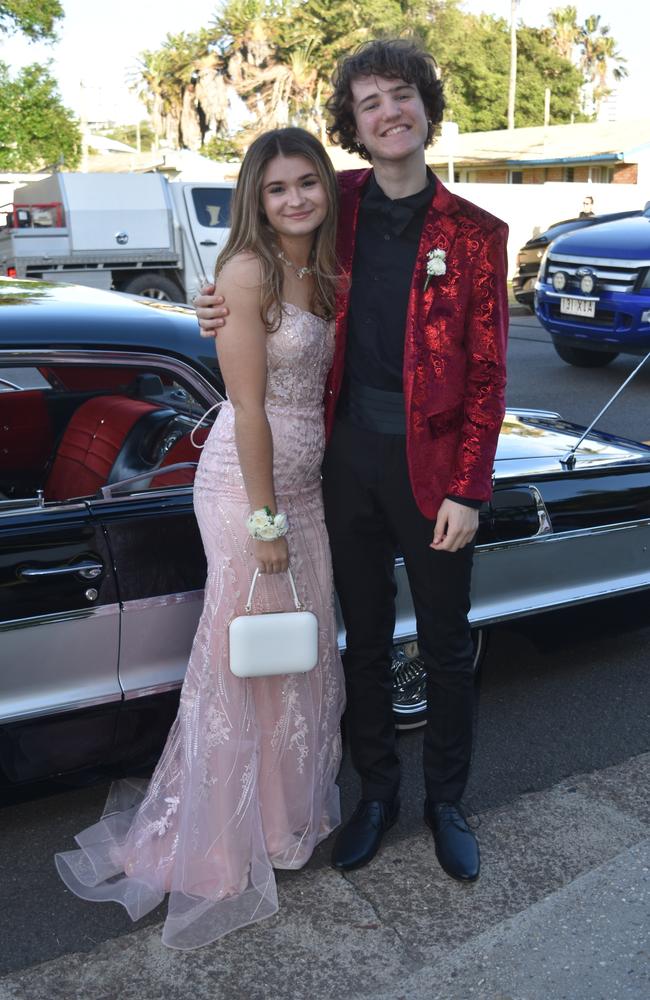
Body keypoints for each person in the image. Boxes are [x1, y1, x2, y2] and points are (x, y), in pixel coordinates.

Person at [195, 38, 509, 884]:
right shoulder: (335, 202)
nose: (388, 113)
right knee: (361, 639)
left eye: (400, 95)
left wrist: (470, 488)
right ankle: (377, 795)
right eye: (368, 103)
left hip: (435, 474)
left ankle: (447, 801)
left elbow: (487, 373)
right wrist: (217, 304)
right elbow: (262, 257)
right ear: (355, 125)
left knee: (444, 643)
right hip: (341, 468)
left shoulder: (479, 235)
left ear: (425, 108)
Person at [55, 127, 345, 950]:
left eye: (307, 184)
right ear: (254, 197)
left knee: (299, 653)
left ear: (325, 188)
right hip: (248, 494)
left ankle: (282, 820)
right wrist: (264, 523)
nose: (294, 199)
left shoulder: (319, 265)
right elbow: (248, 406)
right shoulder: (247, 272)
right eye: (277, 187)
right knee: (242, 653)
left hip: (305, 489)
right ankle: (220, 840)